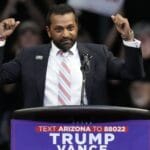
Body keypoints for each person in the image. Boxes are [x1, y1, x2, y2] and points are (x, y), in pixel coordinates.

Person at [0, 4, 144, 108]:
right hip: (42, 131)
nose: (65, 34)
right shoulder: (29, 56)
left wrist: (128, 38)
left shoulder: (98, 54)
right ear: (49, 31)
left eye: (70, 28)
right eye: (58, 29)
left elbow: (133, 73)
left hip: (88, 132)